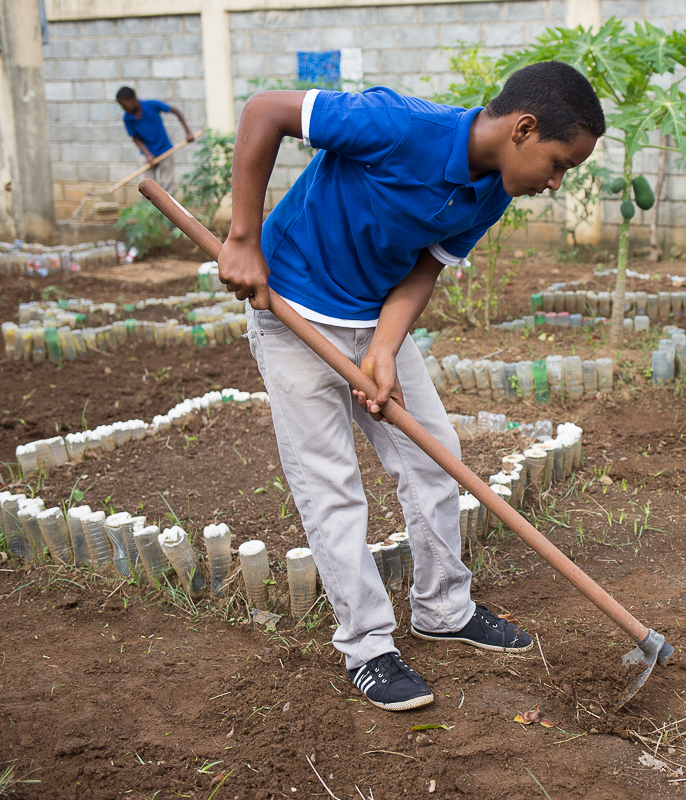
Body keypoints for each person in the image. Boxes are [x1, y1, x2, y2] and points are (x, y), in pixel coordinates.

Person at [218, 62, 605, 712]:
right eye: (559, 163)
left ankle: (443, 608)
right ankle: (368, 647)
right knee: (331, 484)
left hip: (372, 317)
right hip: (292, 310)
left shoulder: (495, 191)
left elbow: (424, 267)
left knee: (434, 455)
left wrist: (384, 351)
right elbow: (265, 111)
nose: (557, 183)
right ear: (524, 128)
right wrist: (242, 239)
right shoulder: (399, 125)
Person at [115, 86, 195, 195]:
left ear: (133, 100)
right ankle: (148, 210)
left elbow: (176, 111)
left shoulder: (152, 105)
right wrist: (148, 154)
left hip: (165, 151)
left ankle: (167, 210)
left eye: (124, 105)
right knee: (146, 187)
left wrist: (188, 132)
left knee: (167, 185)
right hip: (147, 154)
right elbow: (136, 138)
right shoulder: (127, 118)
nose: (123, 108)